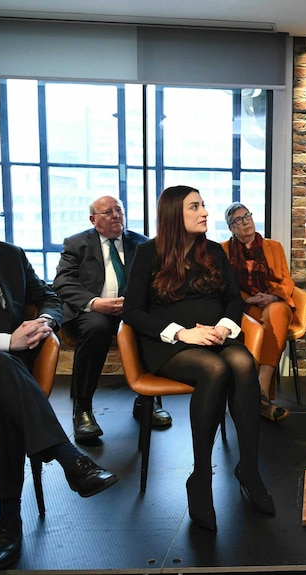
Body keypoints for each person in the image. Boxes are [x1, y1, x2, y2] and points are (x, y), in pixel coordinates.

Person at [0, 174, 118, 570]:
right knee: (3, 368)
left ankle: (9, 520)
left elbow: (48, 296)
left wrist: (46, 323)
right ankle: (67, 457)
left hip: (1, 372)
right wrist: (4, 340)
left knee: (3, 396)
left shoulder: (10, 253)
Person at [122, 185, 274, 530]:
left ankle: (248, 468)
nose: (204, 211)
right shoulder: (148, 253)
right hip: (169, 342)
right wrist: (181, 332)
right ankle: (201, 477)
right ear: (175, 214)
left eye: (203, 205)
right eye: (195, 207)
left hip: (213, 335)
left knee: (243, 362)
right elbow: (132, 312)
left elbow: (234, 299)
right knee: (215, 368)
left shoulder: (213, 252)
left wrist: (223, 326)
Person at [53, 195, 171, 442]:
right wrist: (96, 303)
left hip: (131, 311)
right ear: (93, 219)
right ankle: (82, 409)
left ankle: (146, 401)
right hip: (92, 311)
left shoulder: (142, 244)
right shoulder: (77, 244)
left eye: (119, 210)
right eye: (108, 212)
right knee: (96, 328)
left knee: (150, 327)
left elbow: (158, 283)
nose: (116, 215)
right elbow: (63, 282)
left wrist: (135, 304)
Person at [222, 202, 295, 422]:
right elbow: (223, 285)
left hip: (274, 300)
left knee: (277, 313)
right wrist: (249, 298)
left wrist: (272, 297)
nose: (246, 222)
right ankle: (262, 402)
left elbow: (286, 281)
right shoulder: (223, 250)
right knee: (259, 327)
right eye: (238, 220)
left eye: (248, 216)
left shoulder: (274, 247)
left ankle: (260, 391)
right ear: (231, 228)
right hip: (244, 305)